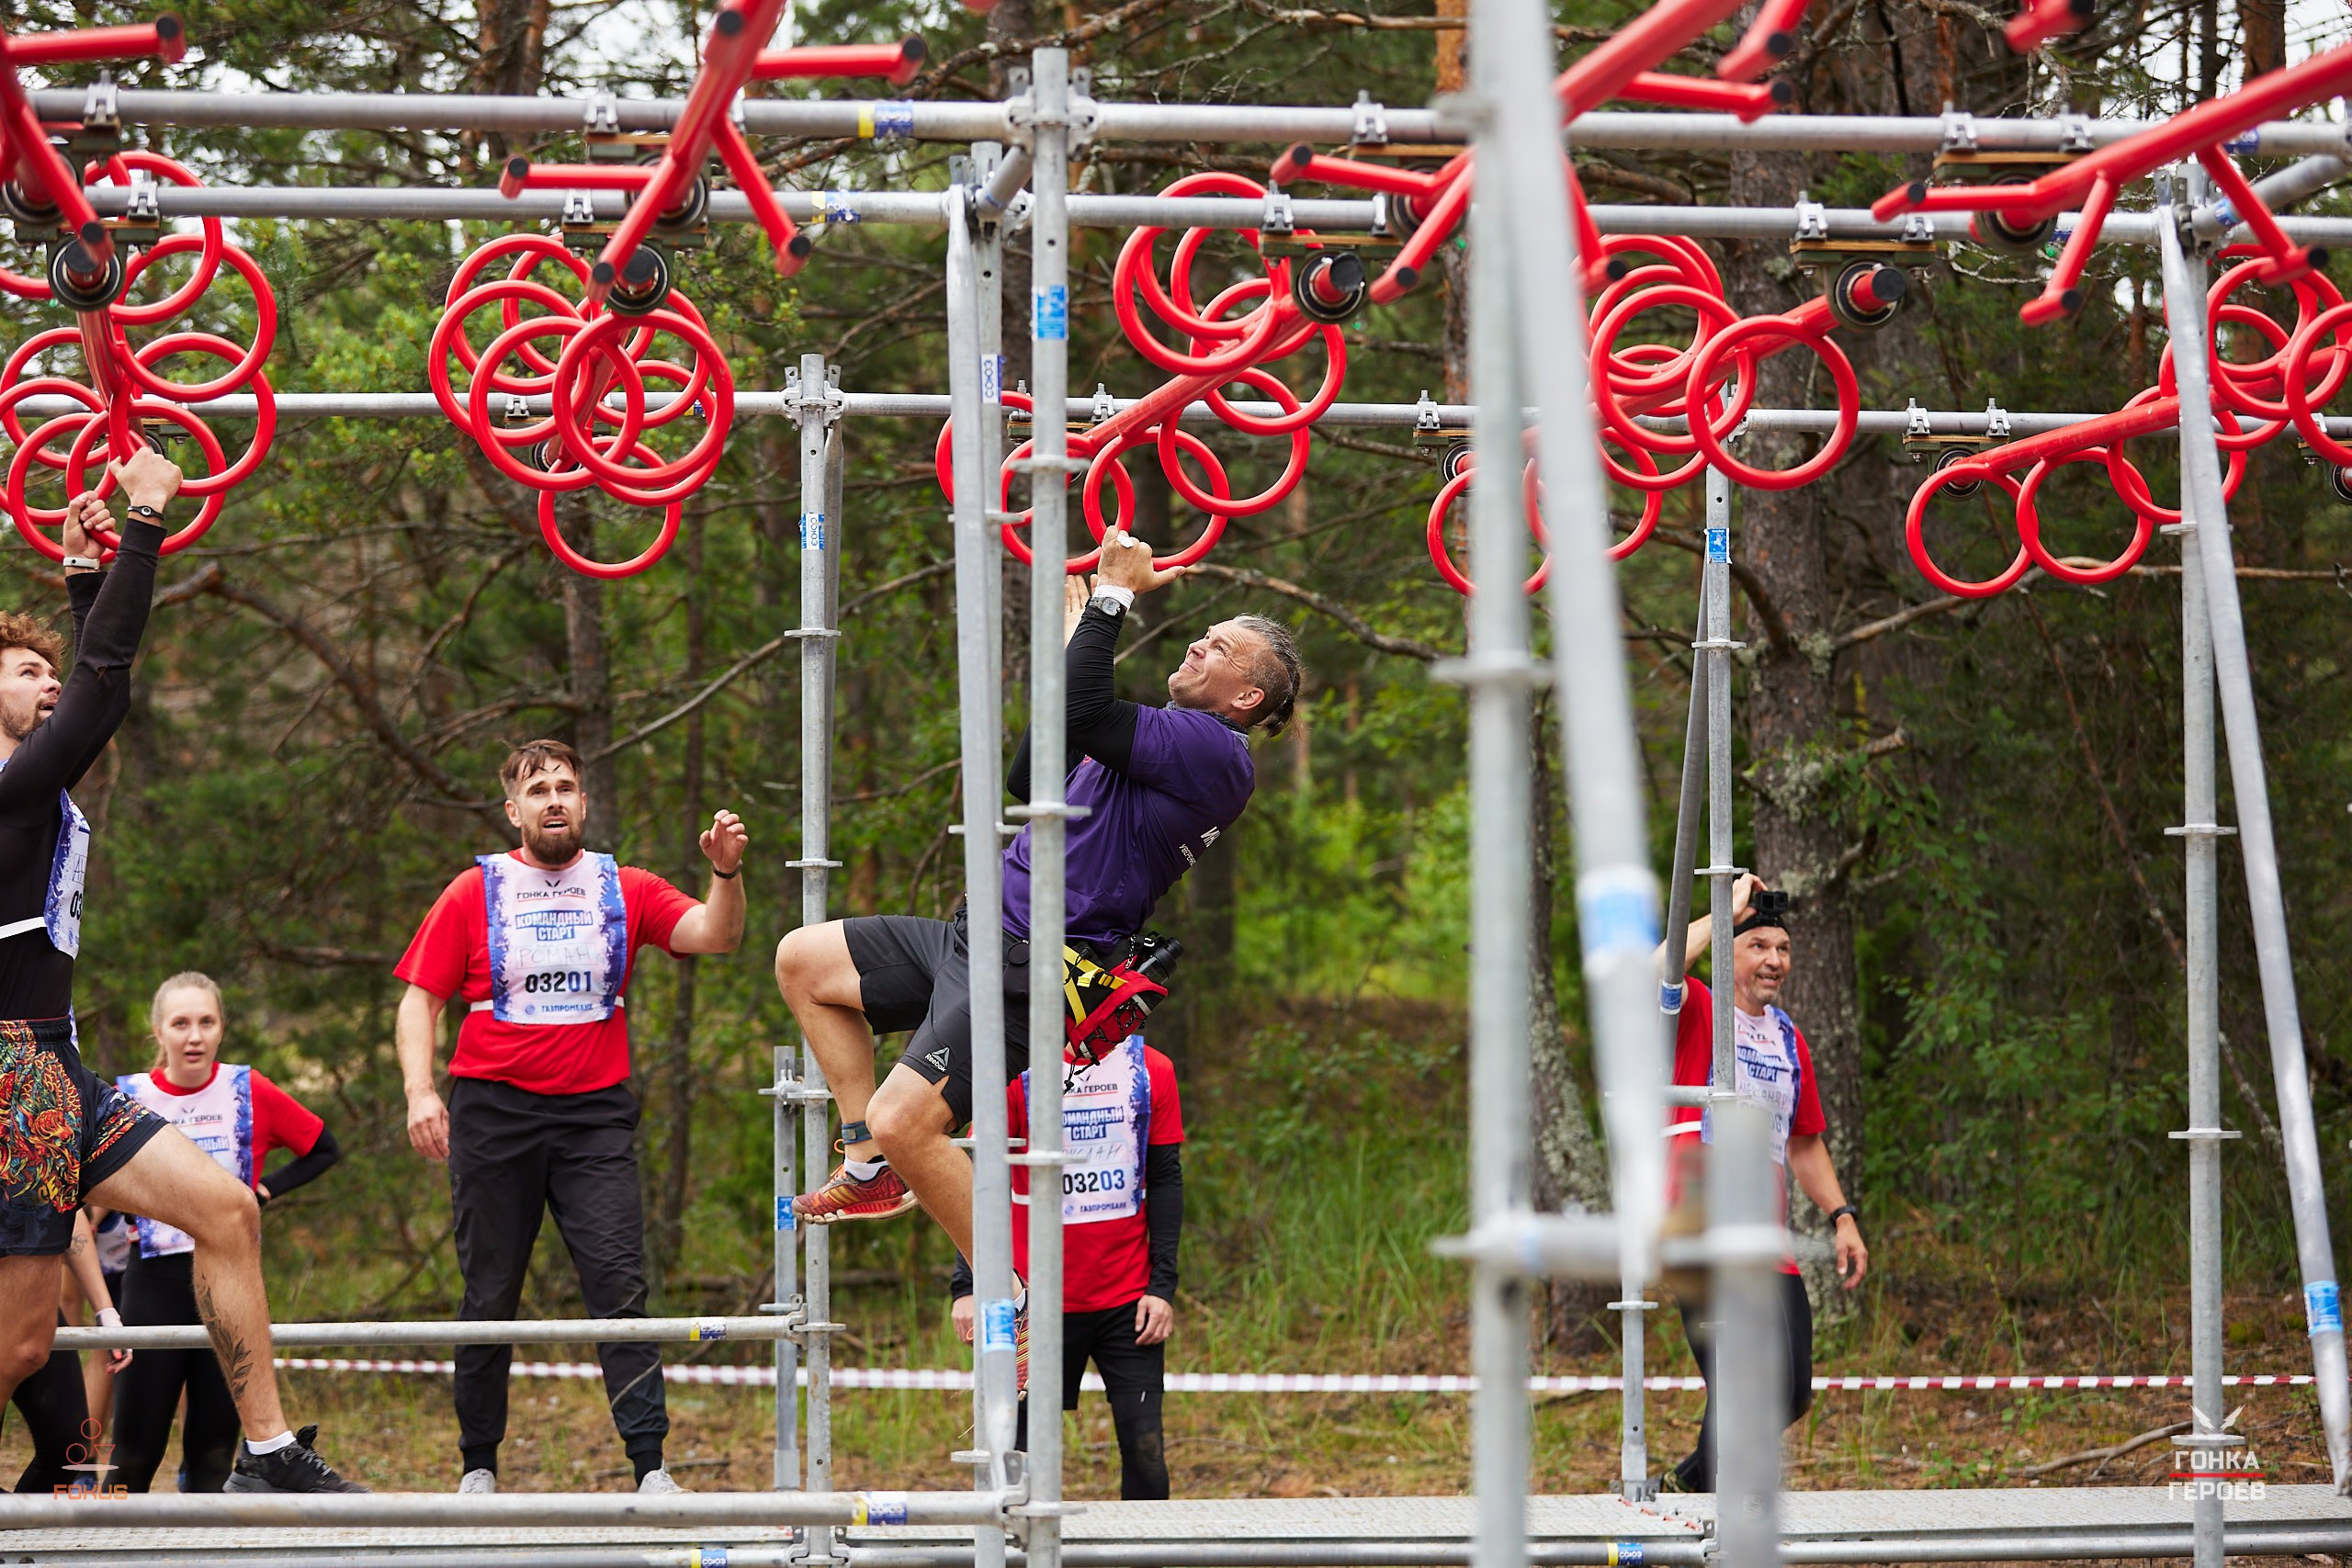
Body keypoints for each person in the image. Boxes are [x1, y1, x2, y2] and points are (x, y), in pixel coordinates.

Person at [775, 529, 1297, 1319]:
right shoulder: (1152, 744)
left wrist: (1112, 599)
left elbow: (1083, 712)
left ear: (1246, 697)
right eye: (1205, 633)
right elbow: (1033, 770)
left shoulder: (1215, 750)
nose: (1197, 643)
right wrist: (1072, 644)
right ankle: (869, 1163)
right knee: (804, 961)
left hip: (1029, 966)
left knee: (907, 1117)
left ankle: (1007, 1292)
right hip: (979, 936)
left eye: (1219, 647)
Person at [0, 455, 362, 1494]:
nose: (47, 681)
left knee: (229, 1210)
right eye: (23, 671)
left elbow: (98, 695)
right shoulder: (6, 787)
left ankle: (268, 1450)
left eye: (46, 670)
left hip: (58, 1066)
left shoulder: (33, 776)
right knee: (23, 1346)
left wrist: (85, 575)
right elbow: (102, 681)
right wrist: (148, 514)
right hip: (11, 1082)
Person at [394, 740, 748, 1495]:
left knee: (618, 1284)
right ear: (513, 810)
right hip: (494, 1112)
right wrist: (421, 1092)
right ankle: (479, 1465)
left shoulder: (626, 885)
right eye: (537, 790)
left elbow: (717, 935)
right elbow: (420, 999)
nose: (553, 798)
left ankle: (650, 1467)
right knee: (490, 1290)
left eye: (564, 787)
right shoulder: (474, 889)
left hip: (594, 1117)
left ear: (583, 803)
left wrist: (725, 873)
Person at [1661, 874, 1869, 1494]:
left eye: (1783, 948)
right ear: (1730, 952)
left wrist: (1842, 1215)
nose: (1774, 959)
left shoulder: (1787, 1037)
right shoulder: (1699, 1009)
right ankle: (1715, 1519)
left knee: (1790, 1389)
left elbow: (1803, 1141)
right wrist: (1721, 916)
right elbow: (1653, 974)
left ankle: (1685, 1488)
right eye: (1758, 946)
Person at [109, 973, 341, 1493]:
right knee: (134, 1452)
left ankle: (204, 1536)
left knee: (213, 1453)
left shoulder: (247, 1089)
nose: (194, 1036)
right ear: (158, 1031)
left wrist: (264, 1192)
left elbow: (324, 1148)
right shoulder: (128, 1097)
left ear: (222, 1029)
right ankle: (112, 1537)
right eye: (180, 1024)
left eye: (206, 1022)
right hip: (153, 1285)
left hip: (230, 1286)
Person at [950, 1031, 1184, 1498]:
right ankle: (1019, 1541)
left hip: (1126, 1298)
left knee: (1146, 1451)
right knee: (1017, 1456)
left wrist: (1162, 1288)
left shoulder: (1152, 1069)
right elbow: (978, 1182)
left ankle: (1144, 1542)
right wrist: (968, 1284)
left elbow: (1164, 1178)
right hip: (1031, 1302)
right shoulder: (1016, 1072)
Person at [6, 1207, 130, 1493]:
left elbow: (67, 1208)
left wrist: (106, 1311)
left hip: (34, 1293)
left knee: (69, 1445)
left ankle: (20, 1519)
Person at [67, 1205, 131, 1446]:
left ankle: (84, 1453)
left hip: (97, 1223)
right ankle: (83, 1454)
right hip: (93, 1222)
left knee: (108, 1352)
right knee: (106, 1352)